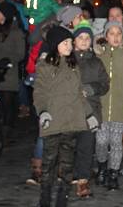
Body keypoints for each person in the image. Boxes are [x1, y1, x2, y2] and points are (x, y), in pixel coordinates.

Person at [34, 26, 95, 207]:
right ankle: (45, 199)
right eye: (65, 43)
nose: (70, 45)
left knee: (67, 163)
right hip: (53, 121)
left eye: (70, 42)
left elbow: (78, 93)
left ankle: (62, 198)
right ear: (55, 45)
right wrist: (43, 111)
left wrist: (89, 114)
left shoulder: (73, 65)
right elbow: (40, 92)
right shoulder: (45, 66)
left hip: (71, 121)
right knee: (49, 162)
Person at [95, 19, 123, 190]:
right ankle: (101, 167)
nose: (115, 37)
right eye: (111, 33)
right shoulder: (98, 57)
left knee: (115, 142)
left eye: (118, 33)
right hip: (100, 108)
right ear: (105, 36)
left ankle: (113, 173)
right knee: (100, 141)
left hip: (120, 109)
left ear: (122, 36)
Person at [73, 19, 109, 198]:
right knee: (69, 144)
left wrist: (91, 88)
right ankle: (69, 174)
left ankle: (83, 180)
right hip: (70, 111)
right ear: (74, 40)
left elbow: (105, 84)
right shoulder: (67, 60)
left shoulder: (96, 62)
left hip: (90, 111)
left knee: (86, 147)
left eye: (88, 37)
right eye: (81, 37)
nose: (84, 40)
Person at [0, 1, 26, 132]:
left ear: (5, 15)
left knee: (7, 102)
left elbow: (20, 54)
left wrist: (6, 58)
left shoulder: (16, 32)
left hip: (9, 73)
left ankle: (8, 130)